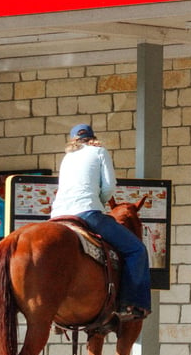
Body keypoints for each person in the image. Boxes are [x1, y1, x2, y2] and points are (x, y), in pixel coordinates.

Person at [50, 123, 151, 321]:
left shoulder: (67, 158)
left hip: (58, 216)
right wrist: (101, 203)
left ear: (72, 140)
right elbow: (109, 185)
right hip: (87, 212)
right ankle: (130, 305)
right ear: (92, 138)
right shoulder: (99, 152)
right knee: (136, 250)